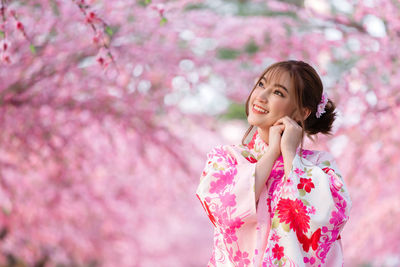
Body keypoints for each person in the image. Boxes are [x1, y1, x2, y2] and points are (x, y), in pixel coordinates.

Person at [195, 60, 352, 267]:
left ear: (302, 112)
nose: (260, 96)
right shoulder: (226, 159)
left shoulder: (321, 166)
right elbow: (222, 210)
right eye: (261, 84)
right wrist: (271, 154)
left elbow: (326, 221)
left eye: (278, 93)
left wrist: (289, 155)